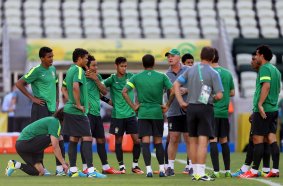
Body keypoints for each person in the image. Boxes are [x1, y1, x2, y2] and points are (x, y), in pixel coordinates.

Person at [174, 46, 223, 181]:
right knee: (203, 143)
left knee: (192, 142)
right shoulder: (214, 73)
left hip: (190, 108)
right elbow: (219, 95)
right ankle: (201, 173)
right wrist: (210, 97)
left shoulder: (191, 70)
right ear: (212, 57)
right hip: (205, 108)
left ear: (200, 56)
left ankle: (195, 172)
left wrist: (181, 102)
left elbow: (176, 85)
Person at [122, 54, 174, 178]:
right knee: (158, 142)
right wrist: (167, 105)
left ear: (143, 64)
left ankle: (149, 170)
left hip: (143, 113)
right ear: (154, 63)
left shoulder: (136, 77)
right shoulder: (162, 76)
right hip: (157, 112)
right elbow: (172, 90)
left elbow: (123, 91)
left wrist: (134, 107)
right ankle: (162, 170)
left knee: (145, 142)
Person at [15, 46, 63, 175]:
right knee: (40, 137)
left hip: (52, 108)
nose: (51, 59)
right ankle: (41, 166)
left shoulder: (53, 69)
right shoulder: (36, 70)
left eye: (52, 56)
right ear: (42, 58)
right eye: (49, 57)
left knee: (56, 136)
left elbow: (56, 84)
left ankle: (60, 169)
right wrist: (32, 98)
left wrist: (57, 100)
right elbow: (19, 83)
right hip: (40, 107)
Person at [62, 48, 106, 178]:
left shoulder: (70, 70)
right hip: (77, 111)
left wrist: (72, 102)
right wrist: (79, 104)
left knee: (74, 138)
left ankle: (74, 170)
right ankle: (91, 171)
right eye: (86, 58)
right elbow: (75, 87)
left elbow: (65, 87)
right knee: (87, 137)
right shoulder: (78, 70)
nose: (87, 60)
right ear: (80, 58)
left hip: (70, 109)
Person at [240, 45, 281, 178]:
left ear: (262, 56)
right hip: (273, 109)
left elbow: (266, 86)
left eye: (257, 55)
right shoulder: (275, 70)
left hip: (264, 110)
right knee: (271, 138)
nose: (255, 57)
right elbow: (277, 89)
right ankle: (274, 170)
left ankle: (253, 171)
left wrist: (260, 104)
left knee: (257, 139)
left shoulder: (264, 68)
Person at [232, 51, 271, 177]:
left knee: (255, 139)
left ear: (260, 58)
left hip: (263, 111)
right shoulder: (270, 70)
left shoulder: (264, 71)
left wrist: (258, 108)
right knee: (264, 140)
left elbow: (266, 89)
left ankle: (248, 169)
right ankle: (266, 169)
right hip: (265, 110)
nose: (251, 61)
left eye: (254, 58)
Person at [103, 57, 143, 174]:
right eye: (122, 66)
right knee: (118, 141)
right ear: (116, 66)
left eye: (125, 66)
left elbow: (141, 87)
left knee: (136, 141)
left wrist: (138, 102)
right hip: (117, 115)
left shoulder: (131, 77)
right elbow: (99, 88)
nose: (124, 68)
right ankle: (121, 166)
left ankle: (135, 166)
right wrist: (107, 100)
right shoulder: (111, 79)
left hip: (131, 114)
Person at [82, 55, 121, 174]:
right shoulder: (80, 78)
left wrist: (96, 79)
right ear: (87, 67)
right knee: (86, 140)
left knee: (101, 140)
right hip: (86, 113)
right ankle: (85, 167)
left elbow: (104, 91)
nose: (96, 67)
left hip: (96, 113)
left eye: (96, 65)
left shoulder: (97, 77)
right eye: (94, 65)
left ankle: (105, 167)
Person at [5, 108, 68, 176]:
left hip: (23, 145)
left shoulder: (53, 121)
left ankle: (15, 164)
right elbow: (55, 146)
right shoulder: (55, 122)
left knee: (40, 172)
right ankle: (60, 170)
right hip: (25, 143)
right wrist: (63, 163)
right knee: (58, 138)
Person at [164, 48, 192, 176]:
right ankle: (170, 167)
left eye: (172, 56)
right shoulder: (166, 74)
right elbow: (165, 92)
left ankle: (191, 165)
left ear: (178, 57)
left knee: (188, 138)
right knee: (173, 138)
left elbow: (196, 86)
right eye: (168, 56)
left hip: (188, 110)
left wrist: (186, 90)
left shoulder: (188, 70)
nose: (170, 58)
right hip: (173, 111)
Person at [209, 49, 235, 178]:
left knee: (213, 140)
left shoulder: (208, 73)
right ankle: (228, 171)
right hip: (224, 113)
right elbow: (232, 92)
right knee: (224, 141)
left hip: (212, 112)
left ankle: (216, 171)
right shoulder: (228, 73)